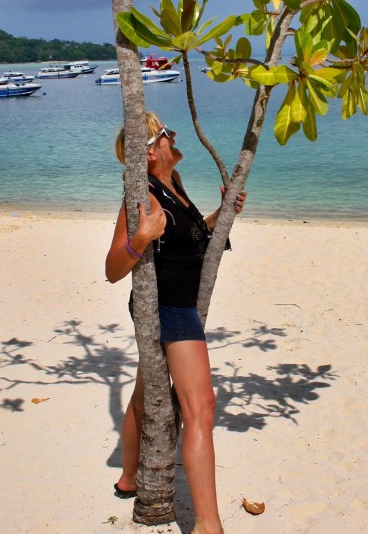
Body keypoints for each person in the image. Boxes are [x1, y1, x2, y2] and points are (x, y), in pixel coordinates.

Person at [105, 113, 246, 534]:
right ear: (150, 153)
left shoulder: (175, 184)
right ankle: (208, 524)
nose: (175, 135)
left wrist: (224, 212)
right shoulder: (142, 197)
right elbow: (113, 268)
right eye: (166, 133)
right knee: (200, 406)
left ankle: (128, 478)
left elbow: (189, 237)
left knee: (147, 390)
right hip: (169, 307)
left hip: (180, 302)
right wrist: (141, 237)